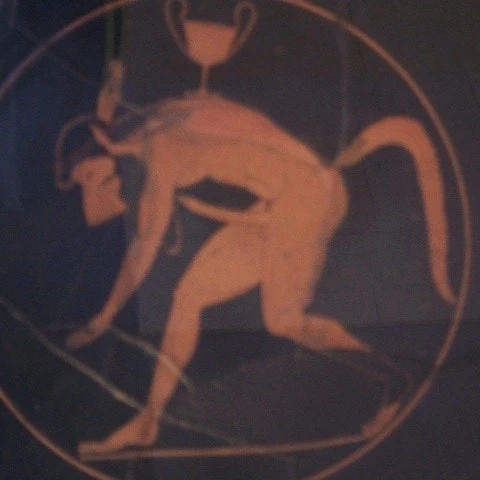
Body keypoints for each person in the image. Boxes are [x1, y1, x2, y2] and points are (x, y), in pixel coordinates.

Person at [64, 61, 453, 455]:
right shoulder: (158, 120)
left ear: (102, 141)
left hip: (306, 196)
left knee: (283, 320)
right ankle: (149, 420)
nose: (94, 186)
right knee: (189, 296)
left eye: (89, 174)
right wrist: (109, 101)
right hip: (280, 203)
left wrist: (103, 318)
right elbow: (112, 114)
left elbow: (144, 247)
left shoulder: (159, 148)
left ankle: (393, 378)